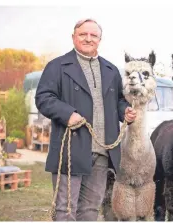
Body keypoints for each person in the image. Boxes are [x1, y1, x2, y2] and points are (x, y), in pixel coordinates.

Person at [35, 18, 136, 221]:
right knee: (65, 210)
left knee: (90, 210)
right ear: (73, 37)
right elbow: (43, 98)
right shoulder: (57, 66)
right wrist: (67, 114)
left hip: (102, 151)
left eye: (93, 35)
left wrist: (125, 111)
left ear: (99, 40)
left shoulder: (110, 70)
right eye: (83, 34)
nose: (88, 39)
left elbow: (118, 101)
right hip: (71, 149)